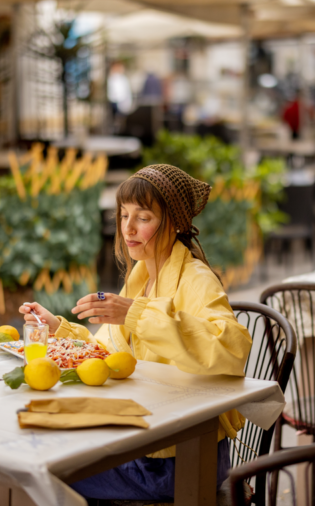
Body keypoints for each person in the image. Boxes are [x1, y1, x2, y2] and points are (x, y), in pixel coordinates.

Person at [19, 164, 253, 502]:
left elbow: (232, 349)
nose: (128, 227)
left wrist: (134, 312)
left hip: (183, 456)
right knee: (40, 450)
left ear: (174, 222)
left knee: (41, 470)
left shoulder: (197, 279)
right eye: (123, 214)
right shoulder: (142, 276)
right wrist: (59, 329)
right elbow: (110, 354)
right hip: (146, 442)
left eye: (143, 217)